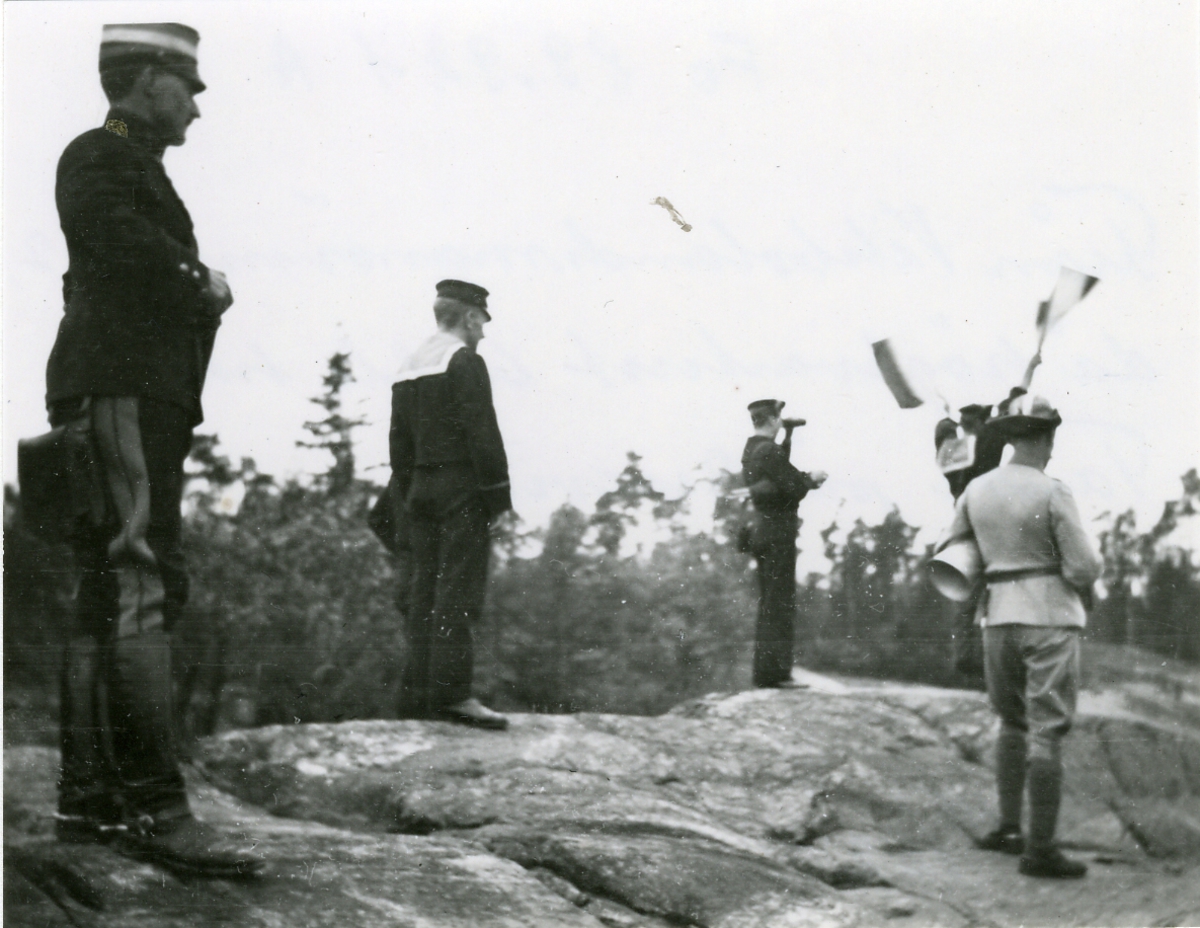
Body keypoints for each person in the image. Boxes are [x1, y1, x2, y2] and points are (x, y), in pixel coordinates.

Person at [43, 24, 260, 876]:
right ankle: (157, 813)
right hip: (124, 388)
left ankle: (90, 806)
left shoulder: (128, 160)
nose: (199, 107)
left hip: (123, 389)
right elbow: (116, 247)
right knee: (137, 580)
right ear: (145, 79)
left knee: (110, 586)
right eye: (189, 86)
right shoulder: (100, 154)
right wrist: (197, 281)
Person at [946, 394, 1101, 878]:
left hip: (997, 618)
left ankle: (1008, 829)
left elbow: (951, 553)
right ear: (1047, 437)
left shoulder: (976, 490)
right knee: (1046, 730)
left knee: (1011, 723)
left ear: (1012, 436)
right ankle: (1041, 849)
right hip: (1049, 617)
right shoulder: (1053, 490)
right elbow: (1084, 566)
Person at [389, 280, 512, 729]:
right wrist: (498, 496)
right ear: (470, 317)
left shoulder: (409, 366)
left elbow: (398, 442)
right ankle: (452, 696)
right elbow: (483, 431)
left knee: (423, 591)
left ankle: (416, 696)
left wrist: (408, 494)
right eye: (482, 323)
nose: (483, 332)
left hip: (419, 489)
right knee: (456, 591)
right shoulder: (465, 360)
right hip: (463, 488)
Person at [741, 400, 827, 689]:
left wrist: (788, 436)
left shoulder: (752, 449)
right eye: (780, 418)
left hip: (763, 530)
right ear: (774, 419)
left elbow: (776, 474)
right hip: (778, 532)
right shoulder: (768, 451)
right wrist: (811, 479)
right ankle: (775, 674)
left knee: (771, 601)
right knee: (779, 603)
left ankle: (767, 673)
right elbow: (791, 486)